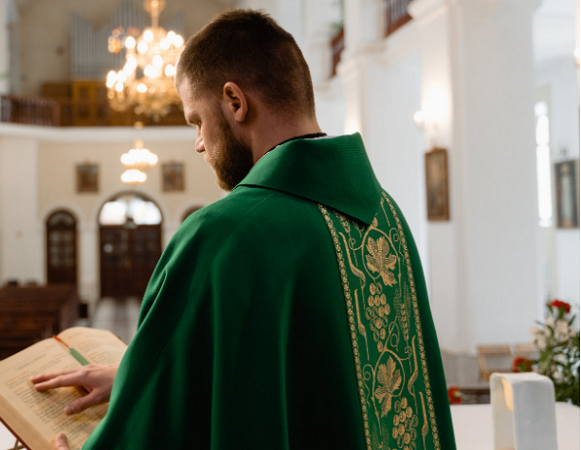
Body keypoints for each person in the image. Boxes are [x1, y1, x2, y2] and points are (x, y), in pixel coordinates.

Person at [33, 9, 456, 450]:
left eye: (197, 121)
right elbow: (316, 378)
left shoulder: (223, 234)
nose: (198, 143)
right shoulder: (385, 218)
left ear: (235, 102)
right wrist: (133, 378)